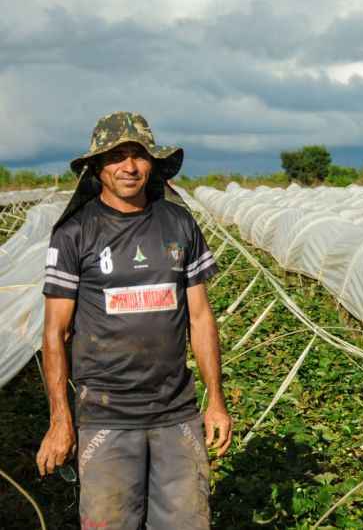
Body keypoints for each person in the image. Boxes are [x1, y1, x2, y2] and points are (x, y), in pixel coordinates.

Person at [35, 111, 232, 529]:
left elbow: (200, 317)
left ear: (153, 164)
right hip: (106, 414)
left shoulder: (178, 224)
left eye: (139, 155)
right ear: (97, 168)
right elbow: (55, 332)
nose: (129, 166)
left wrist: (215, 402)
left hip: (176, 411)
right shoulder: (74, 234)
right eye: (117, 156)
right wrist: (59, 419)